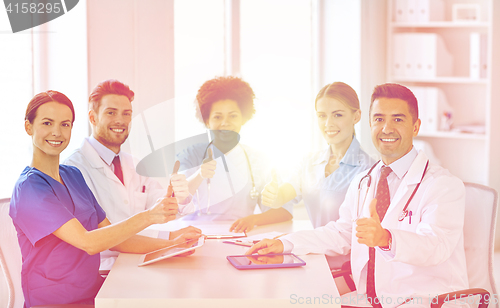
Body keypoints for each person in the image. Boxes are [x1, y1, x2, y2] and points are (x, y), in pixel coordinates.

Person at [247, 83, 468, 308]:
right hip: (370, 299)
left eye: (398, 120)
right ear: (370, 123)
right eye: (379, 119)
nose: (387, 128)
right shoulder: (364, 181)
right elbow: (342, 233)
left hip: (426, 300)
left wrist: (386, 238)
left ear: (416, 126)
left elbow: (436, 246)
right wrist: (284, 243)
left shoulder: (443, 185)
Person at [10, 91, 202, 307]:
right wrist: (149, 217)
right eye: (47, 123)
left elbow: (116, 237)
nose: (57, 132)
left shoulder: (73, 176)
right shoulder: (30, 188)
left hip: (95, 294)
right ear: (28, 127)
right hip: (55, 302)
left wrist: (170, 246)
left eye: (65, 124)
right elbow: (88, 242)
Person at [64, 80, 198, 258]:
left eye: (126, 114)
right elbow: (98, 237)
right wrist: (170, 243)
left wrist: (178, 197)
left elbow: (158, 203)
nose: (120, 120)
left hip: (136, 260)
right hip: (102, 271)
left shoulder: (134, 164)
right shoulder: (72, 169)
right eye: (111, 112)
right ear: (92, 117)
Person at [176, 76, 292, 232]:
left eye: (233, 115)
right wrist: (200, 174)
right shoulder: (191, 154)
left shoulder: (258, 160)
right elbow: (178, 197)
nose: (225, 123)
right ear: (207, 121)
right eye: (218, 117)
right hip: (193, 236)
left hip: (239, 237)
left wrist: (254, 219)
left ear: (243, 118)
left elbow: (284, 211)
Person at [261, 82, 374, 228]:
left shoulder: (368, 169)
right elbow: (284, 194)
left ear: (356, 116)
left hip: (349, 250)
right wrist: (275, 197)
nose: (328, 123)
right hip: (316, 248)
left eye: (337, 115)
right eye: (322, 116)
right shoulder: (308, 162)